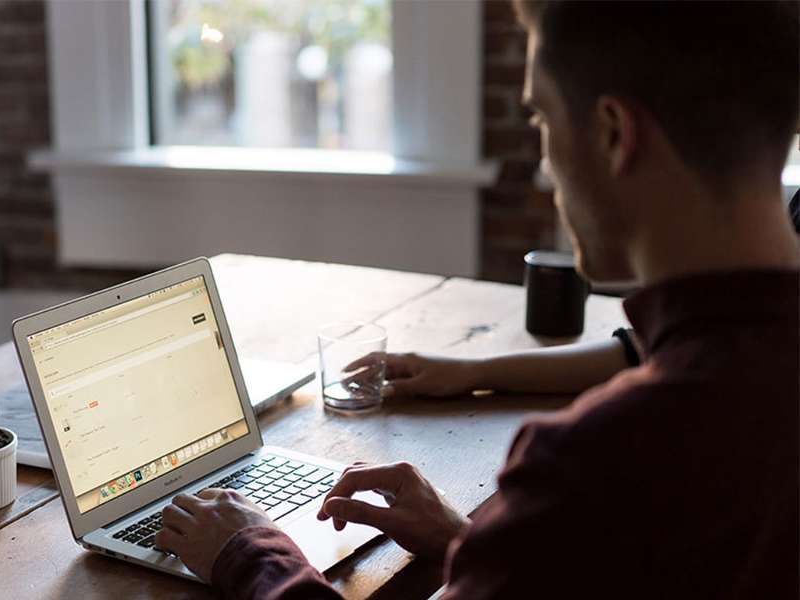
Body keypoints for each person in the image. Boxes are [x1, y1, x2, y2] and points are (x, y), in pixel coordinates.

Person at [153, 2, 800, 598]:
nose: (547, 171)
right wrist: (482, 547)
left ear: (612, 134)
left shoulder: (601, 462)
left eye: (543, 118)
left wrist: (250, 552)